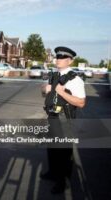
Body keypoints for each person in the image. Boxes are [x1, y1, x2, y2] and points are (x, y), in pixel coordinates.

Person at [41, 46, 86, 194]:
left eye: (62, 58)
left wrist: (62, 92)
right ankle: (53, 173)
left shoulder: (75, 79)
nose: (58, 60)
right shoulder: (53, 75)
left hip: (65, 120)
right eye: (57, 57)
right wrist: (44, 89)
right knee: (52, 149)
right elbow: (46, 94)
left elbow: (81, 102)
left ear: (70, 61)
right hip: (52, 117)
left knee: (64, 154)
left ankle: (63, 182)